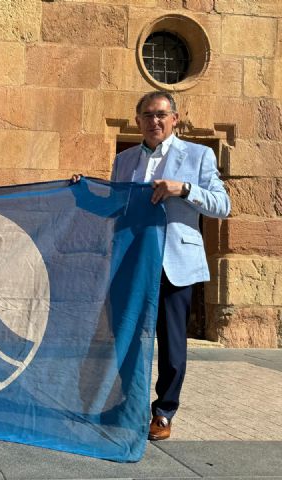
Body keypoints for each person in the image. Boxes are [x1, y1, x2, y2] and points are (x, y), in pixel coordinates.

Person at [73, 91, 230, 440]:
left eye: (161, 114)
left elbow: (222, 205)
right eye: (147, 115)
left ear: (175, 118)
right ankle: (130, 404)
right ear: (139, 121)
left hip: (174, 263)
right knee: (126, 337)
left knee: (172, 343)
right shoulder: (125, 159)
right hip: (132, 262)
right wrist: (81, 193)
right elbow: (116, 208)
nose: (154, 121)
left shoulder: (199, 155)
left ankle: (163, 413)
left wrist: (183, 188)